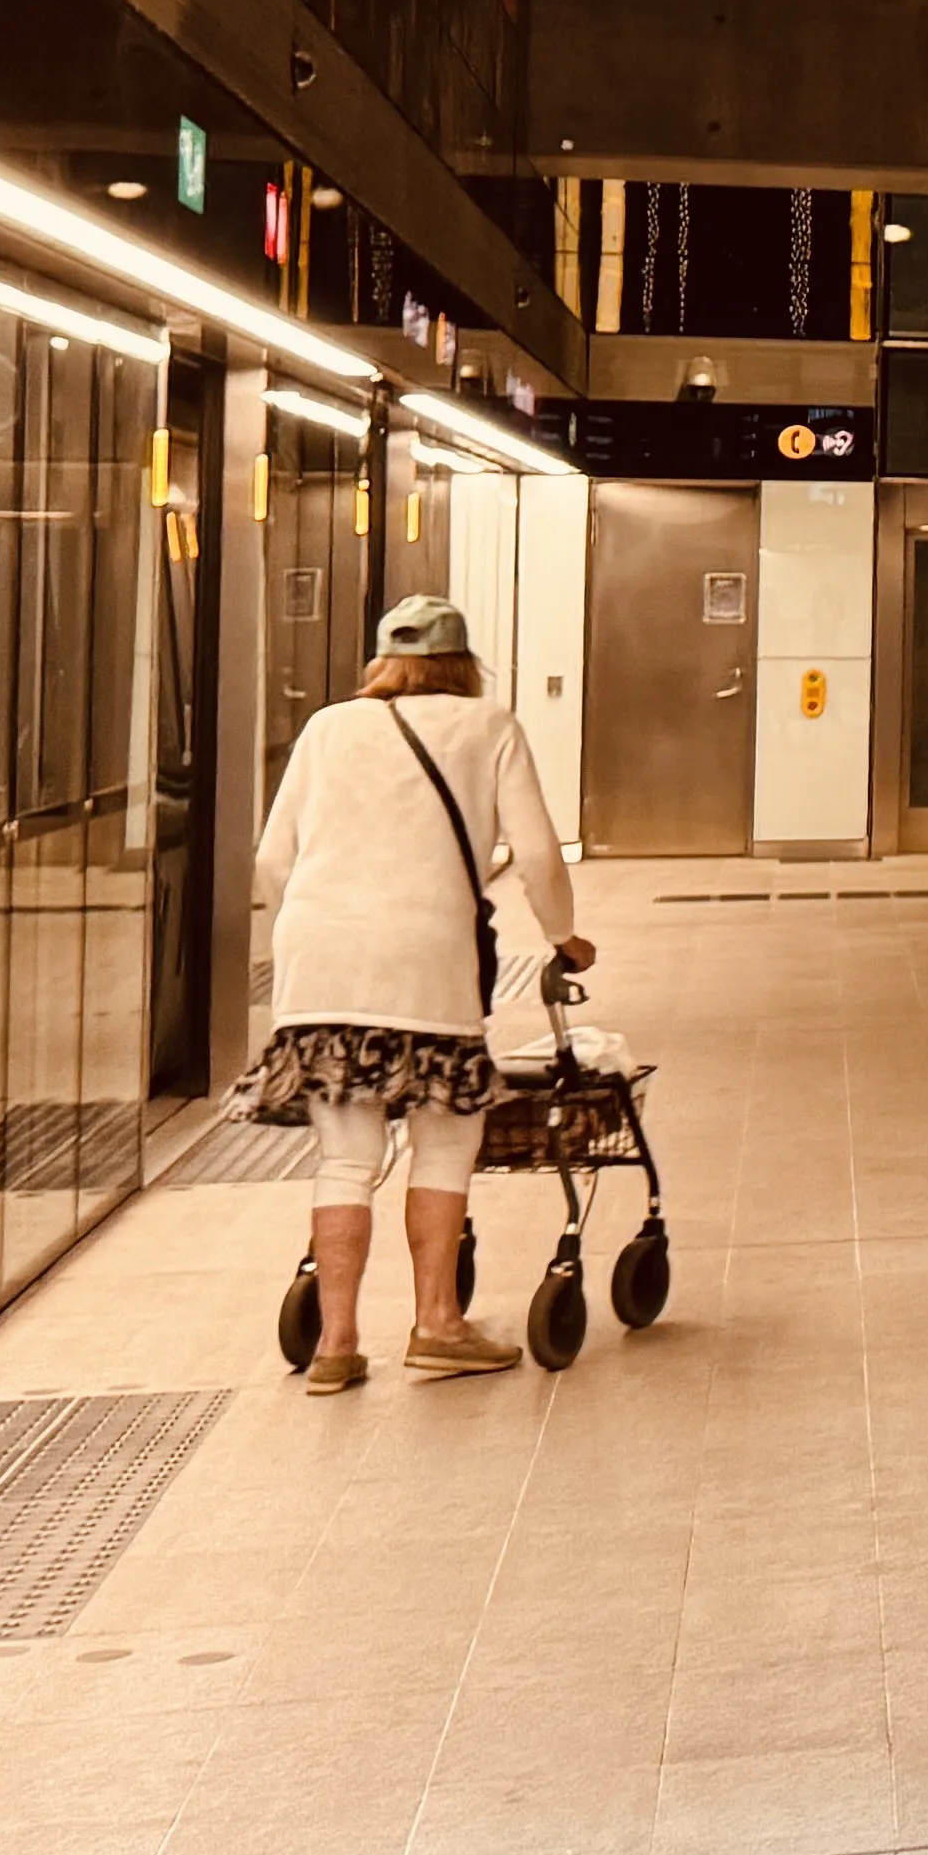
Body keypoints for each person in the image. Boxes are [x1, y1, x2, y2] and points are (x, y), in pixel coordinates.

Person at [249, 593, 590, 1392]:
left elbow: (272, 860)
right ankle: (437, 1323)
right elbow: (537, 854)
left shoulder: (327, 727)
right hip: (426, 962)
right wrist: (564, 936)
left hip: (319, 963)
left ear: (383, 660)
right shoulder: (490, 727)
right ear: (463, 664)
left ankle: (335, 1345)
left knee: (344, 1157)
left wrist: (303, 937)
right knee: (444, 1139)